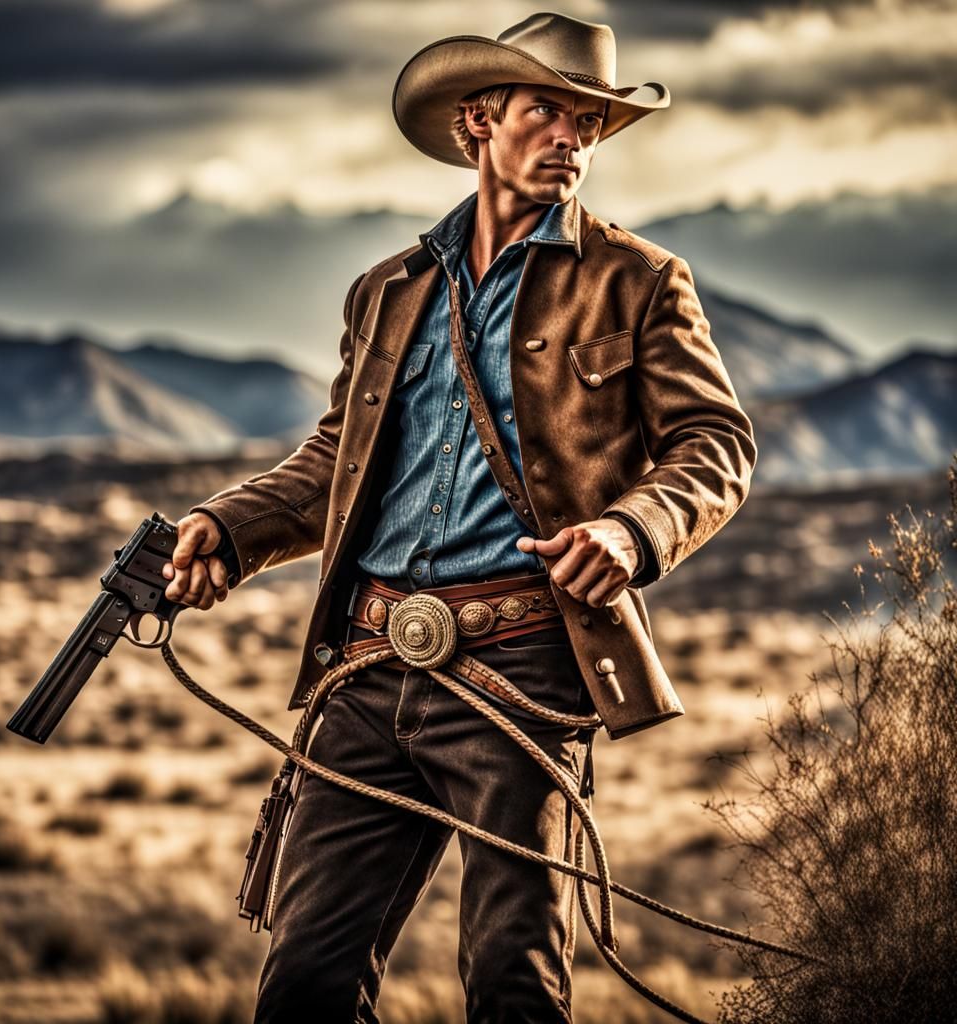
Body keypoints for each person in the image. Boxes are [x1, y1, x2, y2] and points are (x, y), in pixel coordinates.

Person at [162, 12, 757, 1022]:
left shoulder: (640, 282)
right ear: (479, 120)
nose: (572, 136)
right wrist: (226, 526)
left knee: (512, 981)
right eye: (548, 111)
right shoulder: (387, 289)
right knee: (303, 979)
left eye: (589, 121)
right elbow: (335, 469)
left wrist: (630, 532)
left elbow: (715, 443)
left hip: (522, 668)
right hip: (365, 667)